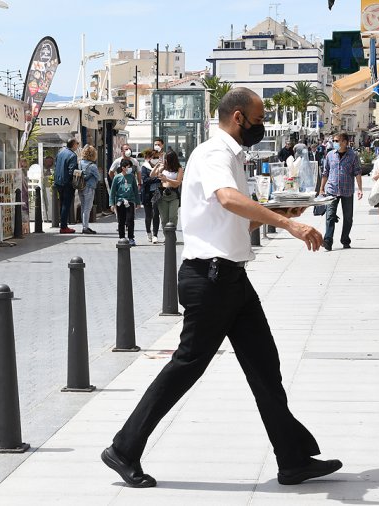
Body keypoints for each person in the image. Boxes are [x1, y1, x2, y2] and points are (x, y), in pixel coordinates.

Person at [101, 87, 341, 488]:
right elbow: (228, 199)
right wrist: (289, 224)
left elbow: (233, 220)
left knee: (265, 365)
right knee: (186, 366)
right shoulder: (216, 153)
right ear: (238, 118)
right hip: (210, 279)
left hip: (230, 278)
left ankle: (293, 459)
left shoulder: (231, 155)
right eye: (259, 117)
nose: (262, 125)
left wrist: (279, 213)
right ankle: (125, 448)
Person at [319, 132, 363, 251]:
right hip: (332, 189)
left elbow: (357, 173)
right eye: (334, 141)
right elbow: (325, 172)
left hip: (347, 190)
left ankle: (345, 239)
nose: (334, 143)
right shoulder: (330, 155)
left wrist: (360, 189)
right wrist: (321, 188)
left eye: (337, 141)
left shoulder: (353, 155)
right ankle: (328, 240)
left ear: (344, 142)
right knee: (330, 215)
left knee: (348, 217)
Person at [109, 158, 140, 246]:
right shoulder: (117, 177)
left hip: (130, 201)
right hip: (120, 201)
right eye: (128, 167)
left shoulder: (132, 177)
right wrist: (111, 204)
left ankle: (131, 237)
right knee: (121, 220)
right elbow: (113, 191)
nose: (130, 168)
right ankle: (122, 237)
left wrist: (138, 202)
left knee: (130, 220)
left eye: (130, 167)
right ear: (123, 167)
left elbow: (135, 190)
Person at [54, 138, 79, 234]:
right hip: (67, 183)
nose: (78, 145)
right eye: (77, 143)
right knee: (66, 204)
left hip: (58, 181)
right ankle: (64, 226)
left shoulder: (60, 152)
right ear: (73, 144)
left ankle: (63, 224)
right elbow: (71, 170)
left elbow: (56, 165)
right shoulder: (72, 155)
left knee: (62, 203)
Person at [154, 150, 183, 229]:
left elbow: (178, 182)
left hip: (173, 194)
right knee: (164, 218)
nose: (166, 160)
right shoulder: (163, 167)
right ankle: (167, 236)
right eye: (165, 158)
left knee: (173, 216)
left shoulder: (179, 169)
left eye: (167, 159)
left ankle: (172, 235)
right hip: (162, 194)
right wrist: (157, 166)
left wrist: (166, 179)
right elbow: (153, 175)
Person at [140, 149, 161, 243]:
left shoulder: (161, 167)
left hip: (157, 193)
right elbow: (145, 180)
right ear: (149, 158)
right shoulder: (145, 167)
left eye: (157, 157)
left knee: (156, 214)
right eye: (154, 157)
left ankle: (155, 234)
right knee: (148, 215)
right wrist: (157, 179)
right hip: (147, 194)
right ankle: (149, 232)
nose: (156, 159)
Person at [79, 145, 100, 234]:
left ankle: (84, 226)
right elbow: (98, 178)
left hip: (80, 187)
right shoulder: (92, 166)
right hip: (89, 188)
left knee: (83, 207)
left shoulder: (80, 163)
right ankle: (85, 227)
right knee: (87, 208)